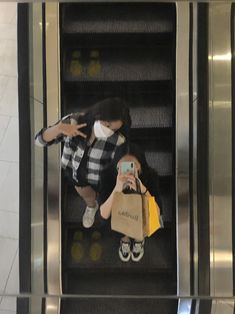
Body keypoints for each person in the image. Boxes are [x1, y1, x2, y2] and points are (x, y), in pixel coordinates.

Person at [35, 98, 131, 228]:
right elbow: (39, 141)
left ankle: (101, 206)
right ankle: (91, 206)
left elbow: (125, 160)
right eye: (107, 124)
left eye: (113, 129)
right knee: (86, 195)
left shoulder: (118, 140)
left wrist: (126, 177)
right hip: (76, 173)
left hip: (102, 178)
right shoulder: (74, 121)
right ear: (99, 113)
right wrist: (58, 129)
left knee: (106, 201)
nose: (108, 130)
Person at [99, 144, 162, 262]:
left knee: (145, 221)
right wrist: (117, 189)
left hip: (141, 217)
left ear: (141, 167)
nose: (128, 170)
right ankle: (125, 239)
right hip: (119, 219)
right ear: (116, 166)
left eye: (132, 166)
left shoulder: (150, 177)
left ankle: (139, 238)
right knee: (115, 223)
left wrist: (143, 190)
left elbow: (156, 215)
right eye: (123, 166)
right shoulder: (107, 177)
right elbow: (103, 215)